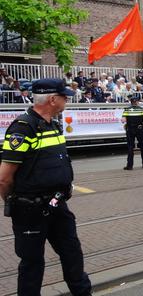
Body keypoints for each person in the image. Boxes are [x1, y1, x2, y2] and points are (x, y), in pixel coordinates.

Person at [0, 79, 92, 295]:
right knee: (32, 264)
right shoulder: (23, 128)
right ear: (52, 99)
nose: (66, 100)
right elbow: (4, 178)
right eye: (64, 96)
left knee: (72, 254)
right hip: (30, 210)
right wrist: (15, 203)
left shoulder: (53, 124)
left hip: (57, 204)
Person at [121, 95, 143, 170]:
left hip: (130, 129)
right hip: (139, 129)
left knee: (130, 147)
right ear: (137, 102)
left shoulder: (127, 109)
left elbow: (123, 120)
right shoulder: (141, 109)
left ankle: (130, 165)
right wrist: (142, 123)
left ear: (131, 102)